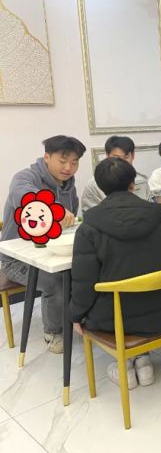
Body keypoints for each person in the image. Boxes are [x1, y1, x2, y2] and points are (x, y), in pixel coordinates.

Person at [70, 157, 161, 389]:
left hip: (114, 320)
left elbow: (83, 283)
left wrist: (75, 315)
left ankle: (125, 366)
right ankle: (142, 361)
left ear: (100, 187)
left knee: (109, 302)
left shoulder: (89, 227)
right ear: (133, 184)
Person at [0, 135, 86, 354]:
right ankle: (53, 332)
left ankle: (80, 319)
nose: (68, 168)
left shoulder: (69, 186)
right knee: (55, 280)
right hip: (16, 260)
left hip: (51, 252)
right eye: (63, 161)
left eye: (74, 162)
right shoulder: (25, 178)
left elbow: (68, 222)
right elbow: (24, 197)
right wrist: (56, 209)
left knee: (88, 268)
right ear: (47, 157)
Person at [81, 135, 151, 212]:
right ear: (107, 156)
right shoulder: (93, 185)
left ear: (133, 156)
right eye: (116, 158)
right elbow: (90, 214)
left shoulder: (142, 181)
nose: (122, 162)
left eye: (126, 157)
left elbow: (149, 209)